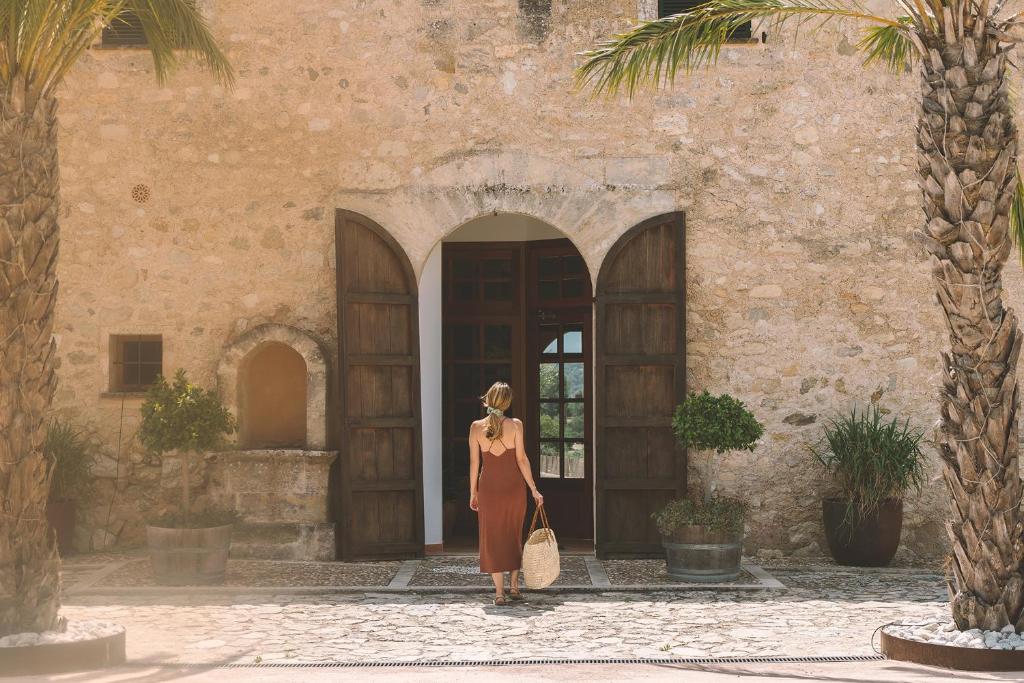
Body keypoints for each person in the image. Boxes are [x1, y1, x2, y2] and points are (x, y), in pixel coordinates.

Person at [469, 381, 543, 606]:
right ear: (507, 402)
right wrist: (533, 489)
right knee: (513, 535)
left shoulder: (475, 427)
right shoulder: (516, 425)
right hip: (514, 489)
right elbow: (522, 460)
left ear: (488, 399)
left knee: (492, 539)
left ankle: (499, 593)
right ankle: (514, 586)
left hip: (489, 489)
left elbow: (474, 463)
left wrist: (473, 492)